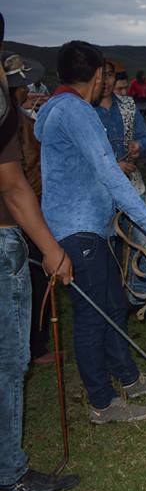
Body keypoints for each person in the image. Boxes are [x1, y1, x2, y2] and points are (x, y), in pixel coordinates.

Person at [34, 40, 146, 421]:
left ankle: (127, 378)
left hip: (88, 228)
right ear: (97, 75)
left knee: (112, 304)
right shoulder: (78, 112)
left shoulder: (56, 108)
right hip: (78, 230)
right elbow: (109, 172)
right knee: (93, 314)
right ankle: (101, 402)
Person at [0, 30, 80, 491]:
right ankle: (9, 472)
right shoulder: (7, 113)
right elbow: (12, 185)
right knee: (10, 362)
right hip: (5, 235)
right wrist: (50, 248)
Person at [95, 59, 146, 319]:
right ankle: (111, 302)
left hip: (133, 185)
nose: (107, 81)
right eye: (102, 76)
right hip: (99, 190)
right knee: (107, 243)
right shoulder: (86, 110)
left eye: (111, 76)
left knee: (142, 239)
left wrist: (139, 147)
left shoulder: (129, 106)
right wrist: (113, 166)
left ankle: (137, 297)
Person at [3, 52, 54, 364]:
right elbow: (22, 174)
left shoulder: (19, 119)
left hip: (24, 208)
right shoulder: (16, 124)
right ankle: (36, 347)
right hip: (25, 210)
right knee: (34, 279)